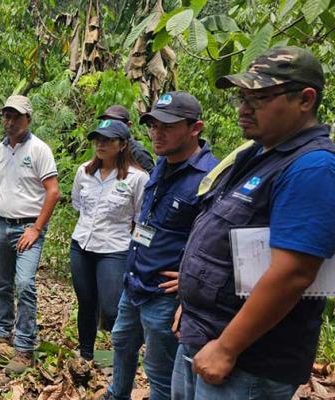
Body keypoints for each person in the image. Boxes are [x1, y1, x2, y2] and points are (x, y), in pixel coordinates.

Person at [173, 46, 335, 400]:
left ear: (305, 100)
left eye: (259, 98)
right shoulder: (257, 155)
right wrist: (193, 300)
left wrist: (228, 348)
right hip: (204, 338)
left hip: (245, 361)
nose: (244, 109)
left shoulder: (313, 168)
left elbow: (293, 273)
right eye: (242, 97)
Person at [104, 92, 218, 400]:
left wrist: (193, 280)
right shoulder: (160, 165)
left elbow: (218, 242)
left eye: (167, 125)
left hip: (165, 293)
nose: (157, 133)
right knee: (121, 342)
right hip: (136, 280)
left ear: (195, 128)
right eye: (153, 125)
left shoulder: (209, 178)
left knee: (159, 368)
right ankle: (117, 394)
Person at [0, 95, 60, 373]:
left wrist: (36, 228)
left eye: (16, 116)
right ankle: (3, 331)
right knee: (1, 281)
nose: (10, 122)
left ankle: (25, 346)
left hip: (28, 226)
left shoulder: (39, 150)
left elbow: (53, 191)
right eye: (6, 116)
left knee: (24, 283)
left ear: (28, 119)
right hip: (2, 223)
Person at [70, 119, 148, 362]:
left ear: (123, 144)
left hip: (114, 249)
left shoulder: (137, 178)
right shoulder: (84, 171)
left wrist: (138, 254)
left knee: (112, 309)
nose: (100, 144)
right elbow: (78, 206)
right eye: (97, 139)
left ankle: (124, 356)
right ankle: (86, 355)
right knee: (86, 302)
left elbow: (140, 220)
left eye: (108, 140)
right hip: (81, 245)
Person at [98, 105, 156, 172]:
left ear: (128, 125)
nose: (110, 127)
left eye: (116, 124)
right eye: (106, 122)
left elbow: (151, 179)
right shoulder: (102, 148)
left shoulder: (138, 153)